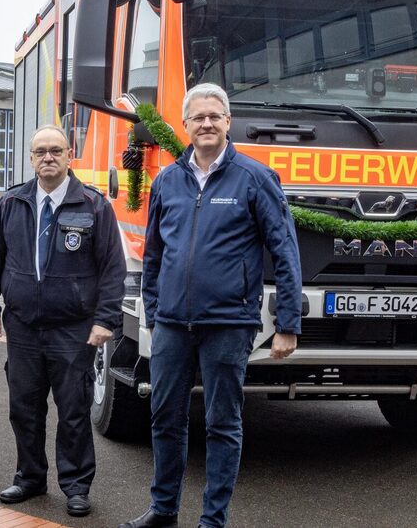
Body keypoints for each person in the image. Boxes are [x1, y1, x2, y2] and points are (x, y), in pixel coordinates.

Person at [120, 83, 303, 528]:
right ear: (184, 125)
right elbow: (156, 251)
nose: (206, 123)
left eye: (214, 116)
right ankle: (163, 510)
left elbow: (284, 251)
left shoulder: (255, 178)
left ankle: (212, 519)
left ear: (227, 122)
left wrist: (288, 323)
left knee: (223, 423)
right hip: (171, 323)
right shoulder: (167, 180)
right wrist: (153, 307)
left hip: (229, 322)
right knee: (165, 416)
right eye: (197, 117)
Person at [0, 124, 126, 518]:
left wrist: (105, 320)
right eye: (40, 151)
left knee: (73, 410)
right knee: (23, 408)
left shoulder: (93, 205)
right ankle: (29, 477)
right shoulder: (11, 203)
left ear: (69, 155)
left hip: (73, 328)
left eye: (55, 150)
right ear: (30, 158)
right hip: (23, 327)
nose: (47, 157)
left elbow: (113, 269)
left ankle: (76, 486)